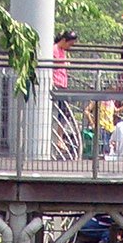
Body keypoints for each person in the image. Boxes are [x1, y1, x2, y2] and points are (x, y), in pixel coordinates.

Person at [51, 29, 79, 158]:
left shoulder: (63, 52)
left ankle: (59, 137)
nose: (70, 47)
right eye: (70, 44)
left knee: (65, 113)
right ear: (64, 40)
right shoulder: (54, 49)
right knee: (60, 112)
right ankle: (57, 138)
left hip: (63, 84)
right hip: (56, 84)